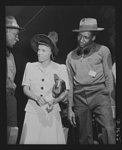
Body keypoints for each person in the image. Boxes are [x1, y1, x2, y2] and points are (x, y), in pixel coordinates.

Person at [66, 18, 115, 144]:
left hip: (100, 95)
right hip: (79, 98)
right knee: (84, 136)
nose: (81, 40)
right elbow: (70, 83)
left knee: (108, 129)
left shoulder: (103, 51)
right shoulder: (70, 56)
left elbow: (109, 77)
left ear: (93, 38)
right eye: (79, 36)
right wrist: (70, 108)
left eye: (86, 37)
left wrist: (112, 103)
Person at [20, 32, 70, 144]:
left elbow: (66, 90)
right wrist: (36, 98)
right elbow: (25, 89)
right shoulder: (30, 66)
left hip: (51, 113)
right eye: (38, 50)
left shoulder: (60, 68)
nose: (39, 53)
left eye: (43, 51)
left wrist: (55, 101)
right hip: (32, 111)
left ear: (51, 52)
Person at [6, 16, 24, 144]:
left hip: (10, 97)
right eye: (15, 34)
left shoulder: (10, 55)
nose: (18, 38)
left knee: (12, 133)